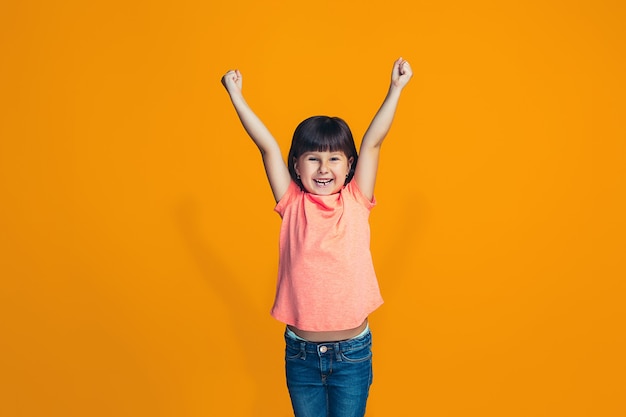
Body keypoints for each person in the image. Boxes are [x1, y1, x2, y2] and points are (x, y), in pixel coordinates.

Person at [221, 57, 412, 417]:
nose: (324, 169)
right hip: (301, 355)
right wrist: (236, 95)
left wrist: (395, 89)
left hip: (352, 355)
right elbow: (267, 148)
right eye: (313, 159)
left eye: (335, 160)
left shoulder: (355, 200)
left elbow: (373, 143)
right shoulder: (291, 202)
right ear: (296, 165)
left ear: (349, 165)